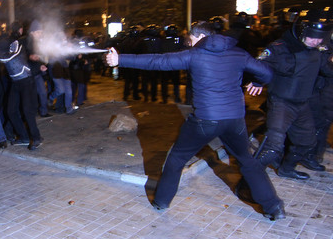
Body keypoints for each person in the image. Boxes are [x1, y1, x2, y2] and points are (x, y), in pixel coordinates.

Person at [105, 22, 285, 221]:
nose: (189, 44)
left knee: (176, 159)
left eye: (190, 39)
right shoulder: (238, 53)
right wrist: (258, 82)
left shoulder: (195, 54)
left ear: (199, 36)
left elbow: (158, 61)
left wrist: (119, 59)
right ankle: (274, 206)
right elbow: (267, 72)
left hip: (205, 119)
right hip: (234, 119)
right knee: (248, 161)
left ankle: (161, 201)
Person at [255, 20, 333, 179]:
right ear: (301, 33)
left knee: (307, 142)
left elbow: (327, 71)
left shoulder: (318, 51)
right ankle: (251, 177)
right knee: (273, 146)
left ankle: (286, 169)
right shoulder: (281, 48)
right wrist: (258, 80)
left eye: (319, 38)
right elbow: (260, 64)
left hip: (302, 103)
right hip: (281, 102)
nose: (316, 41)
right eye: (312, 37)